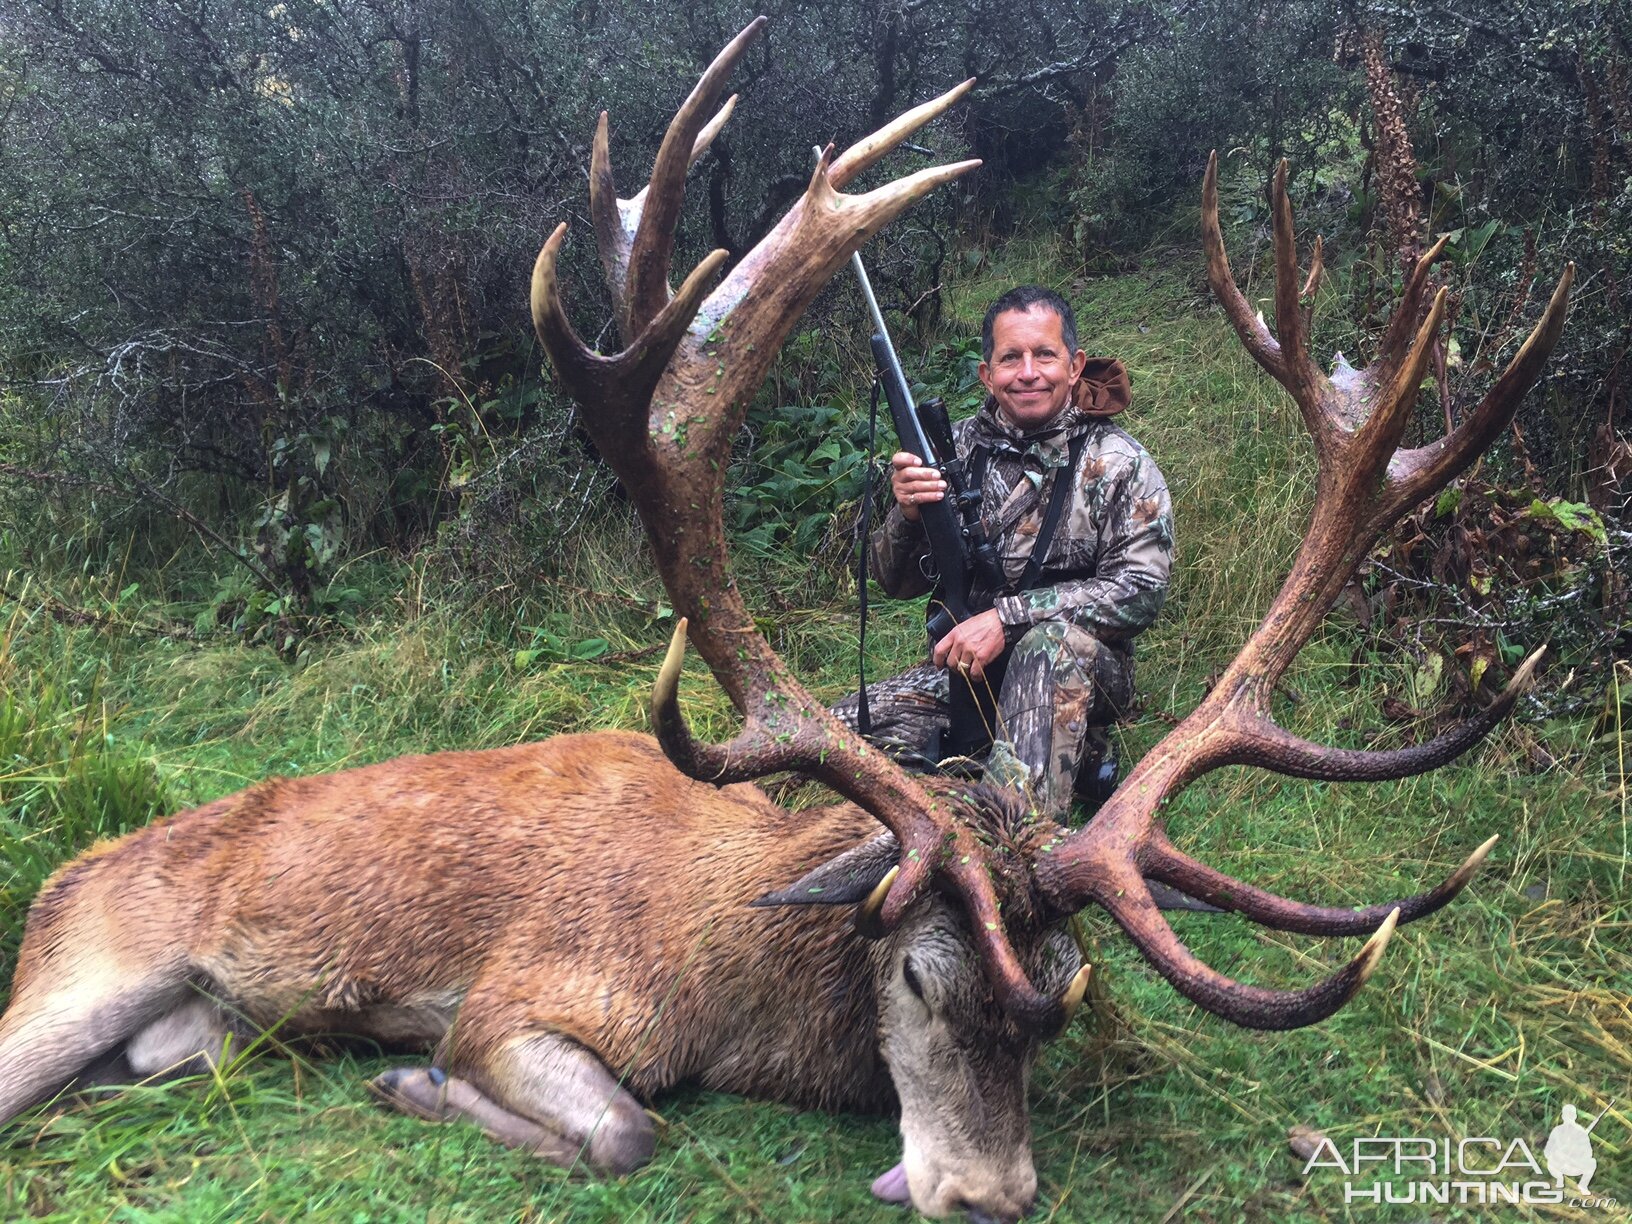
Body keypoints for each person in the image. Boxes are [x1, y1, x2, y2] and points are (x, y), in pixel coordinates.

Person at [832, 285, 1173, 823]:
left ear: (1075, 365)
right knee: (828, 736)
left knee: (1047, 646)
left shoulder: (1120, 462)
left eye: (1045, 354)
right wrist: (908, 514)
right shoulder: (949, 449)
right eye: (1010, 358)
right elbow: (890, 581)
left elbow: (1141, 592)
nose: (1028, 372)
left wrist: (1007, 619)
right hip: (968, 671)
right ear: (987, 374)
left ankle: (1009, 839)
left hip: (1077, 666)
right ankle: (1045, 760)